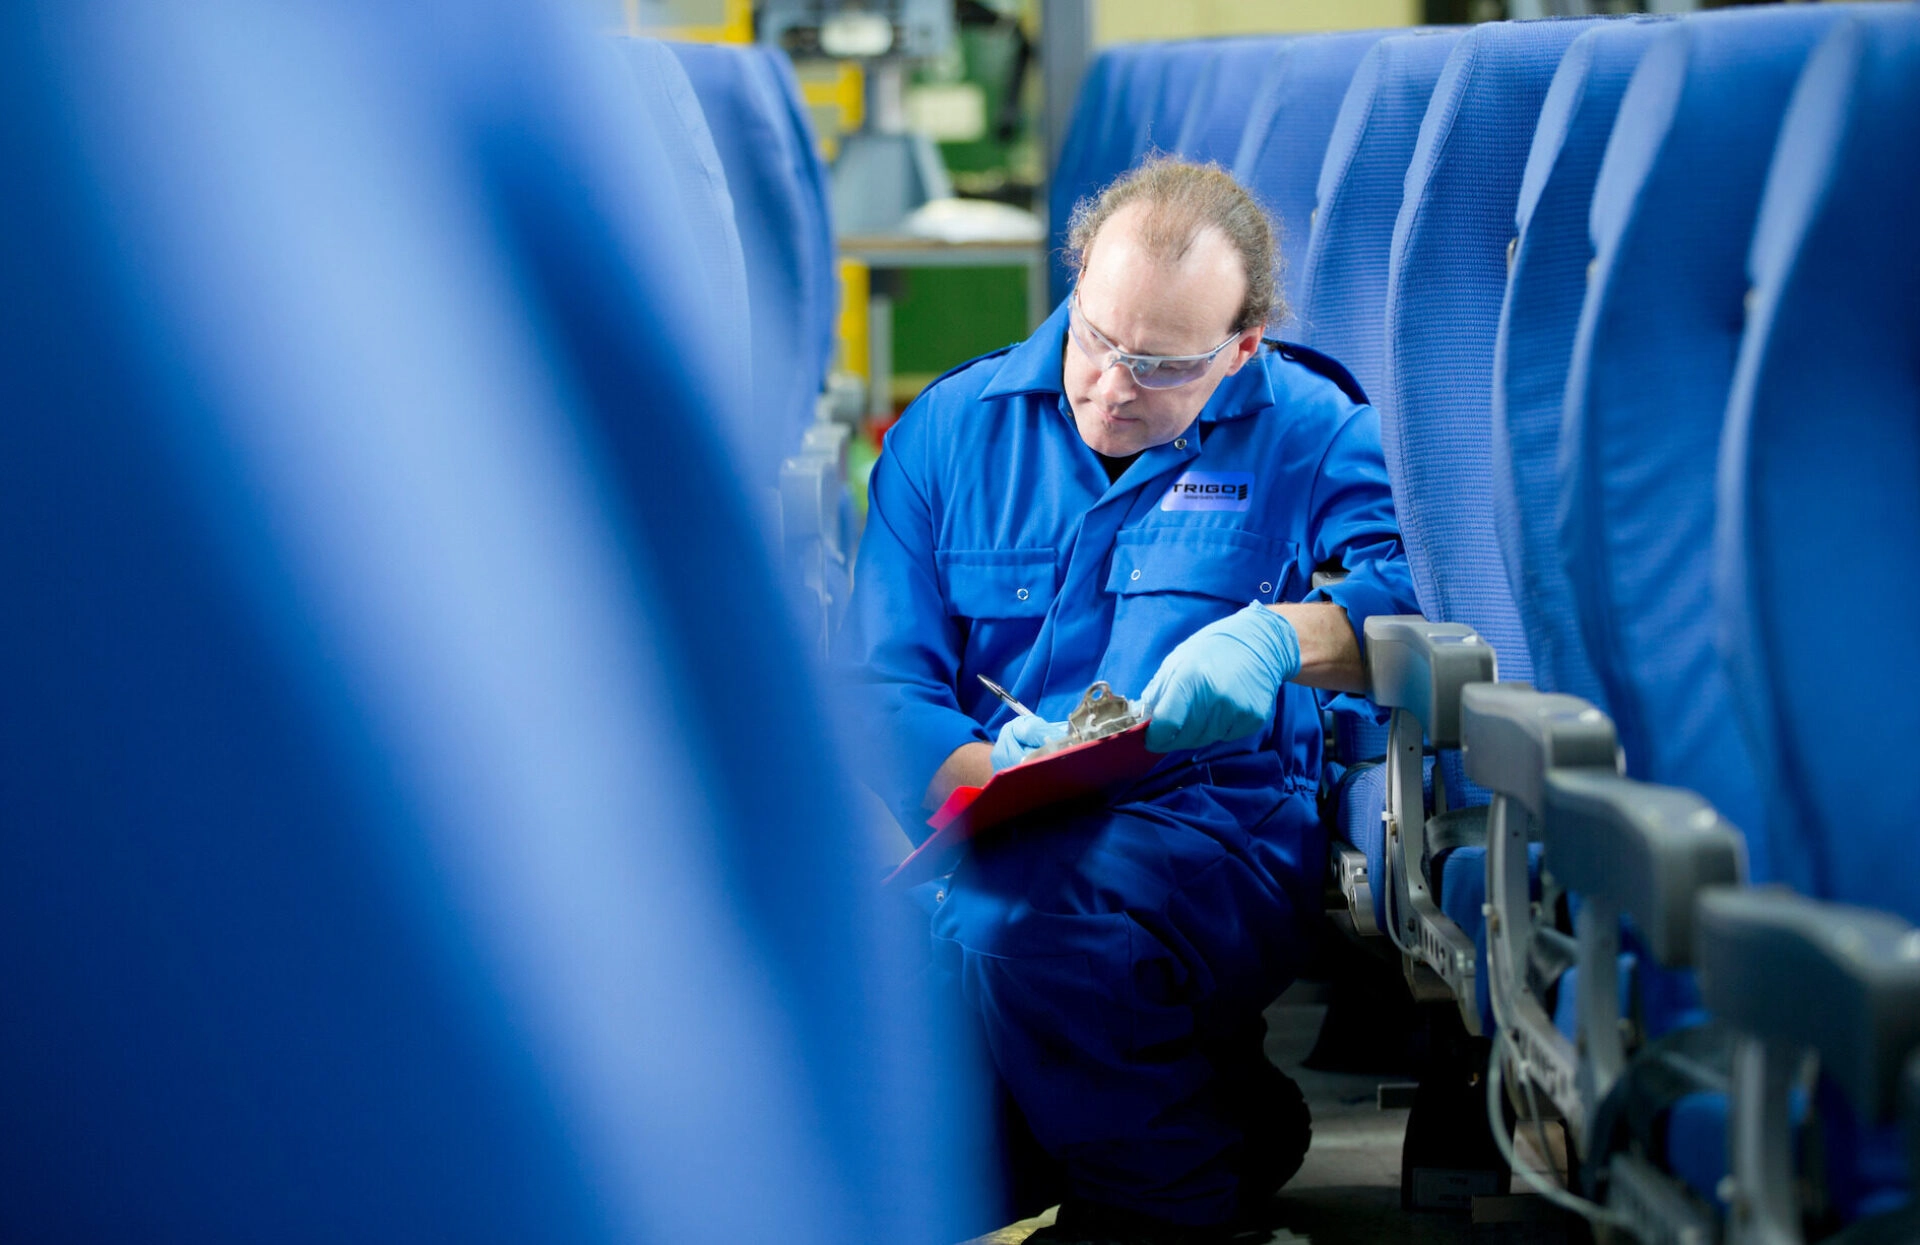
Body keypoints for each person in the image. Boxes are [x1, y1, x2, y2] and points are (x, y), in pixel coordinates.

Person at [833, 159, 1418, 1245]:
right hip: (994, 821)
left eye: (1159, 367)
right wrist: (980, 778)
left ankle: (1171, 1207)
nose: (1110, 388)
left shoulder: (1312, 428)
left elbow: (1414, 602)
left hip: (1216, 826)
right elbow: (884, 681)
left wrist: (1281, 635)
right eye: (1096, 339)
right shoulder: (949, 433)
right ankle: (1225, 1125)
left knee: (1034, 928)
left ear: (1240, 349)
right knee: (881, 1076)